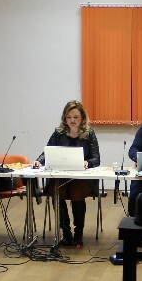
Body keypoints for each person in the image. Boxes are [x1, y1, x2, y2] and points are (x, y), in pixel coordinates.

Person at [34, 100, 100, 247]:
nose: (72, 120)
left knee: (76, 191)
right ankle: (65, 233)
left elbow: (96, 158)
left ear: (82, 117)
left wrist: (87, 163)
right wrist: (39, 161)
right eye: (69, 117)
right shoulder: (59, 133)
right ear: (65, 118)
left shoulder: (89, 133)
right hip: (61, 177)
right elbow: (47, 152)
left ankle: (78, 233)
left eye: (76, 117)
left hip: (82, 179)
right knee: (56, 191)